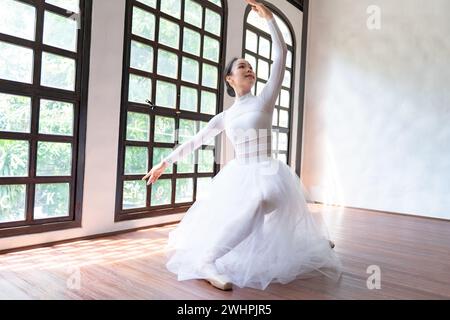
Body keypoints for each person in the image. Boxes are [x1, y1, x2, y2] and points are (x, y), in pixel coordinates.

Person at [143, 0, 341, 291]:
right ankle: (213, 260)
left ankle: (209, 259)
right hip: (239, 174)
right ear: (229, 79)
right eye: (241, 66)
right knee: (255, 217)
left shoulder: (264, 100)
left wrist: (271, 20)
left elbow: (281, 55)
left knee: (262, 201)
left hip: (269, 170)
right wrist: (165, 162)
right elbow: (196, 140)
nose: (249, 69)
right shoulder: (224, 117)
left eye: (250, 66)